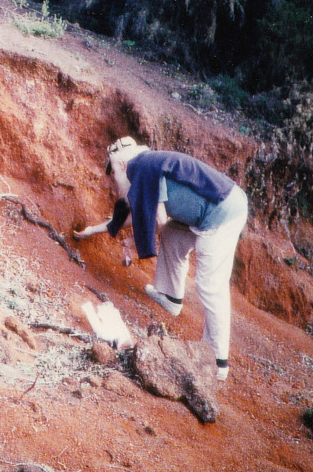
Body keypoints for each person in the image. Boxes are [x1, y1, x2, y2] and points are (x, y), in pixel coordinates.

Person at [73, 137, 248, 381]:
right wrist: (94, 230)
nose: (113, 180)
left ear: (122, 165)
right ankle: (170, 296)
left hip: (222, 212)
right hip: (222, 204)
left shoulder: (139, 169)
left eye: (113, 172)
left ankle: (219, 361)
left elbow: (160, 218)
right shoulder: (147, 165)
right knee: (174, 234)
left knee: (210, 286)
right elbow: (142, 216)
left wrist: (133, 242)